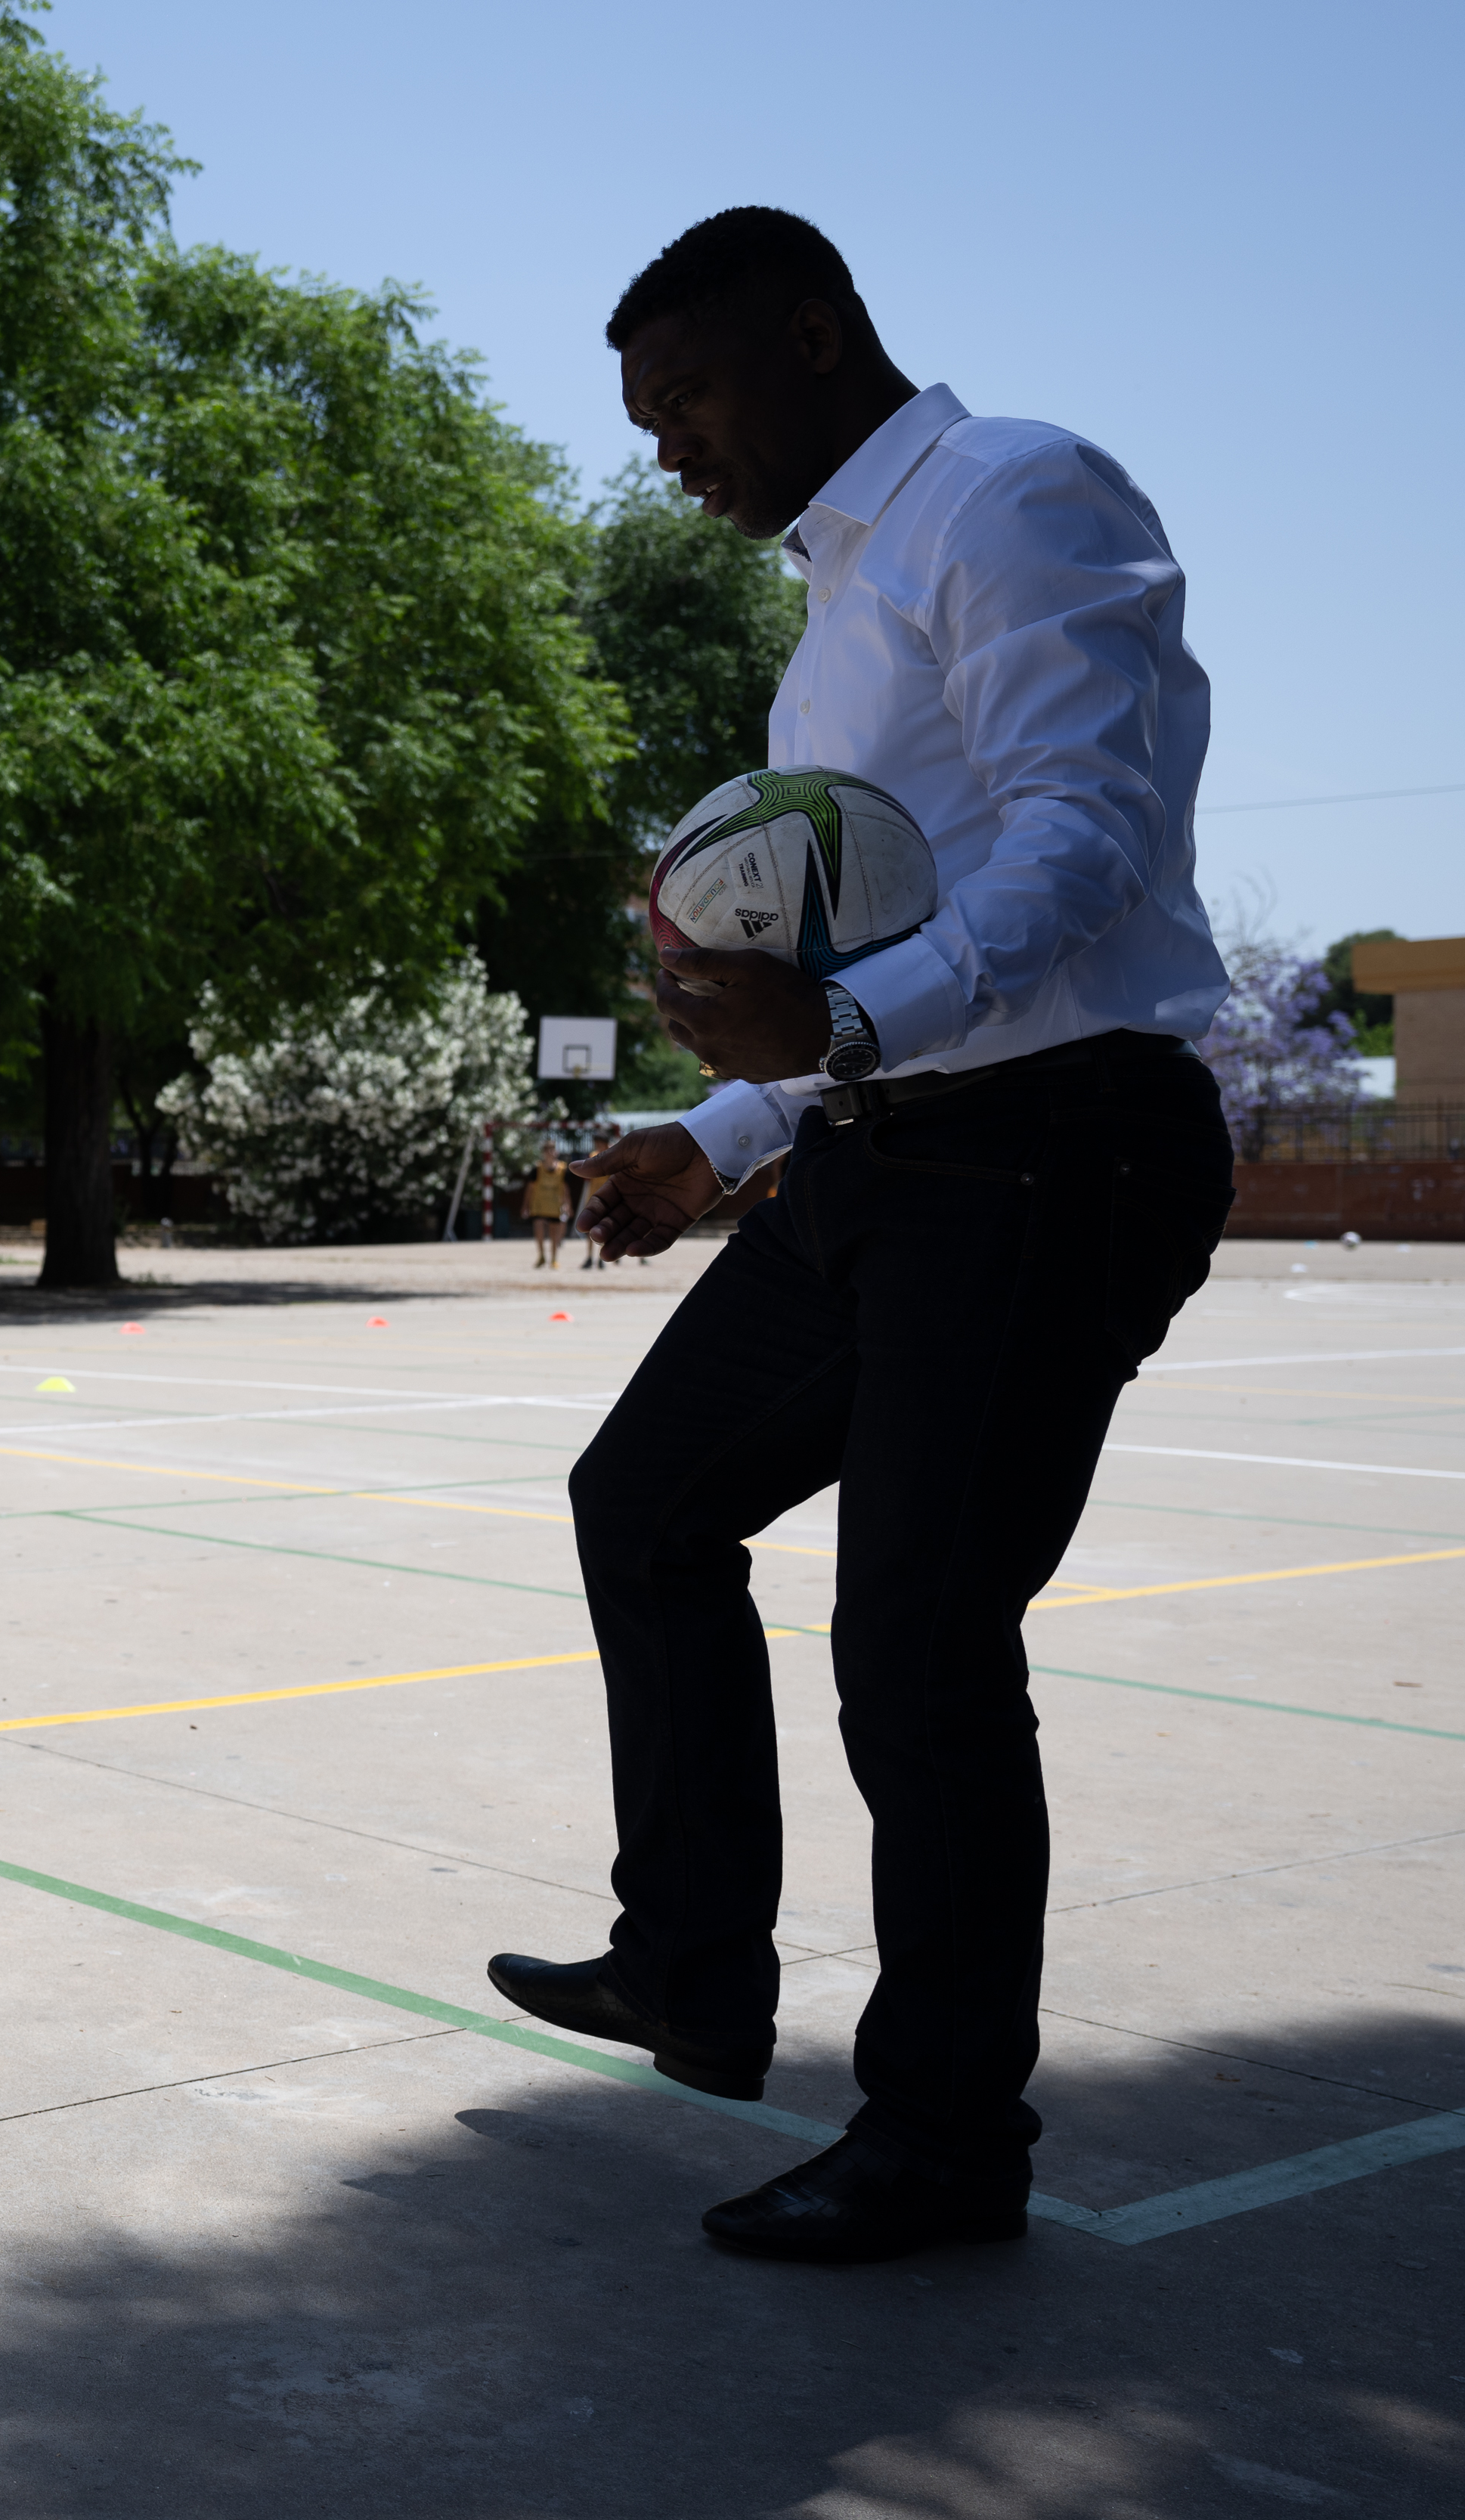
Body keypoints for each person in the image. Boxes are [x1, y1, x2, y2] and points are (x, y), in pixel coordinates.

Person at [490, 209, 1231, 2266]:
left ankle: (943, 2134)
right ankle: (694, 1968)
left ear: (814, 339)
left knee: (916, 1642)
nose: (666, 454)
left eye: (689, 402)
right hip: (891, 1149)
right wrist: (722, 1133)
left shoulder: (1016, 496)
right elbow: (869, 951)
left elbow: (1083, 838)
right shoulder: (839, 603)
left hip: (1057, 1147)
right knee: (643, 1500)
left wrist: (827, 1039)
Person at [521, 1145, 570, 1268]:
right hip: (539, 1204)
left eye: (552, 1150)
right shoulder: (537, 1169)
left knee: (554, 1232)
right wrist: (525, 1205)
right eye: (548, 1150)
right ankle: (542, 1256)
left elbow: (565, 1189)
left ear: (556, 1152)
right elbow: (530, 1189)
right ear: (543, 1153)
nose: (550, 1153)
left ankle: (554, 1259)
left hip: (555, 1204)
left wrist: (568, 1205)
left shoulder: (562, 1169)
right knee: (539, 1228)